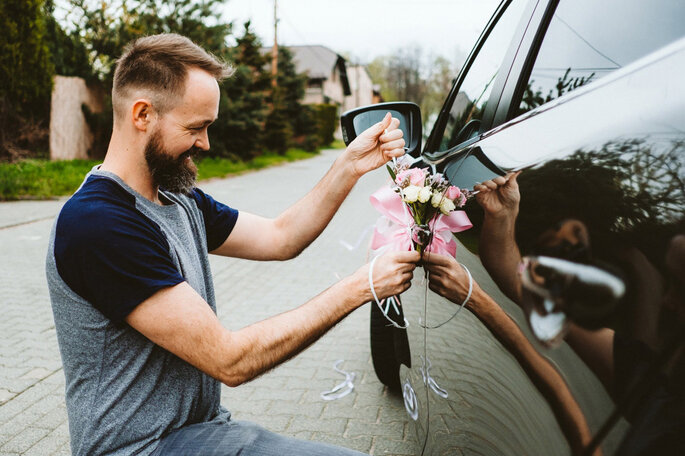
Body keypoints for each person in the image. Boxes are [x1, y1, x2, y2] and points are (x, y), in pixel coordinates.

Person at [45, 33, 420, 456]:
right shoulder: (100, 224)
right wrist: (360, 286)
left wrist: (349, 166)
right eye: (196, 127)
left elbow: (280, 237)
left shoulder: (175, 197)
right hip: (140, 449)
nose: (206, 143)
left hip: (200, 433)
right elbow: (230, 360)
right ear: (142, 114)